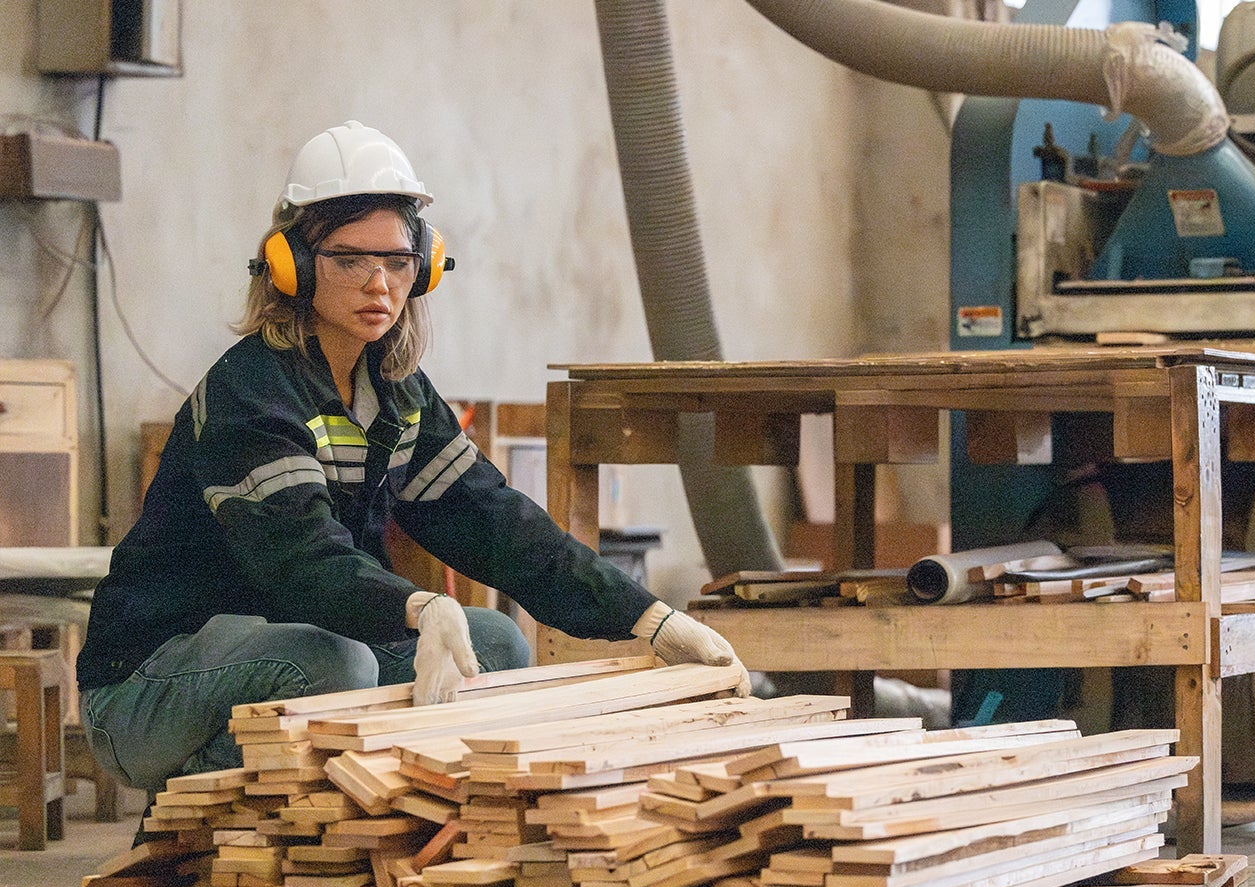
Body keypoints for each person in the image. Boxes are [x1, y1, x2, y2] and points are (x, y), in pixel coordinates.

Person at [77, 120, 750, 802]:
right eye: (349, 261)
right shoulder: (250, 395)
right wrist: (421, 606)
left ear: (423, 267)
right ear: (293, 266)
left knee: (489, 646)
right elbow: (300, 564)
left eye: (398, 263)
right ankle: (197, 808)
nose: (379, 284)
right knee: (329, 660)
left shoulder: (397, 395)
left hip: (288, 652)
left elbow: (495, 523)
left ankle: (371, 808)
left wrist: (650, 619)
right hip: (145, 684)